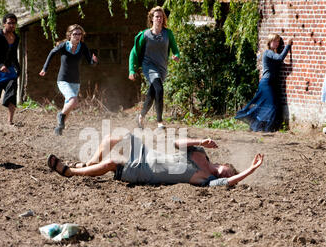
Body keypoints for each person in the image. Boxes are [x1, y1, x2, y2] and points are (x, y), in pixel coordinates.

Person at [47, 133, 264, 187]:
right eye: (231, 170)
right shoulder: (200, 153)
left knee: (110, 164)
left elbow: (228, 183)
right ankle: (86, 164)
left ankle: (71, 172)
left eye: (231, 175)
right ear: (225, 164)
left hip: (146, 171)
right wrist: (201, 140)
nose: (229, 174)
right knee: (112, 138)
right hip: (148, 152)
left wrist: (250, 170)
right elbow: (176, 144)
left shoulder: (205, 179)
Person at [39, 24, 98, 135]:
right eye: (75, 34)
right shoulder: (63, 46)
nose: (77, 36)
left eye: (79, 34)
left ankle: (59, 128)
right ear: (70, 35)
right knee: (73, 100)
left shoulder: (83, 46)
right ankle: (60, 115)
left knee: (69, 106)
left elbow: (90, 62)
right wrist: (45, 68)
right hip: (63, 79)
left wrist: (94, 61)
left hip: (76, 80)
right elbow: (52, 53)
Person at [129, 6, 180, 130]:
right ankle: (160, 122)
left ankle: (140, 116)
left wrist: (176, 56)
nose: (159, 19)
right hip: (149, 66)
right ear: (152, 18)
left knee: (152, 93)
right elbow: (134, 52)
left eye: (161, 16)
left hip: (162, 67)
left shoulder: (168, 33)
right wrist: (132, 69)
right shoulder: (145, 34)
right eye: (157, 16)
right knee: (159, 89)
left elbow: (175, 50)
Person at [235, 34, 293, 132]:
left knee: (269, 105)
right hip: (266, 83)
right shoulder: (268, 52)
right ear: (269, 42)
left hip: (271, 83)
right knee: (271, 105)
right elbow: (280, 58)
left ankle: (261, 126)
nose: (276, 44)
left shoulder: (272, 53)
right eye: (274, 41)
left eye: (278, 42)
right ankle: (263, 127)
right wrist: (288, 46)